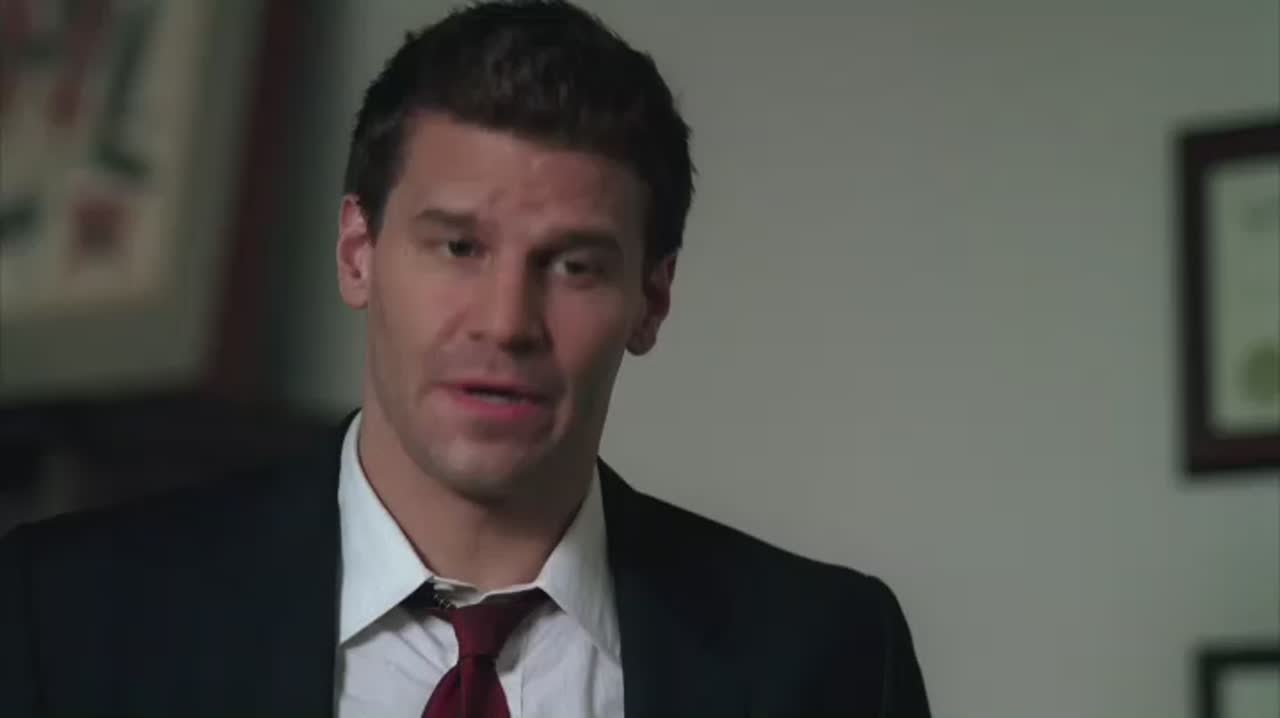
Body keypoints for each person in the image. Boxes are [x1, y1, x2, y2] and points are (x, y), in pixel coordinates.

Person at [0, 1, 931, 716]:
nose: (506, 322)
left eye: (574, 265)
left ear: (652, 298)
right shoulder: (64, 615)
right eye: (458, 247)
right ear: (357, 253)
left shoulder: (832, 656)